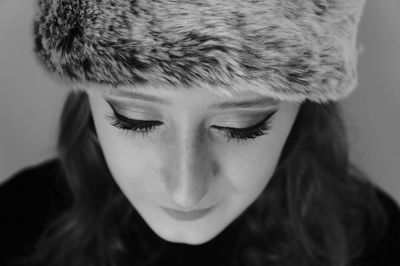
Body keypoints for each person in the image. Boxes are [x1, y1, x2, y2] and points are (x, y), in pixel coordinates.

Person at [1, 0, 399, 265]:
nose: (186, 190)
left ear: (305, 108)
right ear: (84, 97)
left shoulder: (375, 241)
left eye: (240, 127)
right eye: (135, 119)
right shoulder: (16, 224)